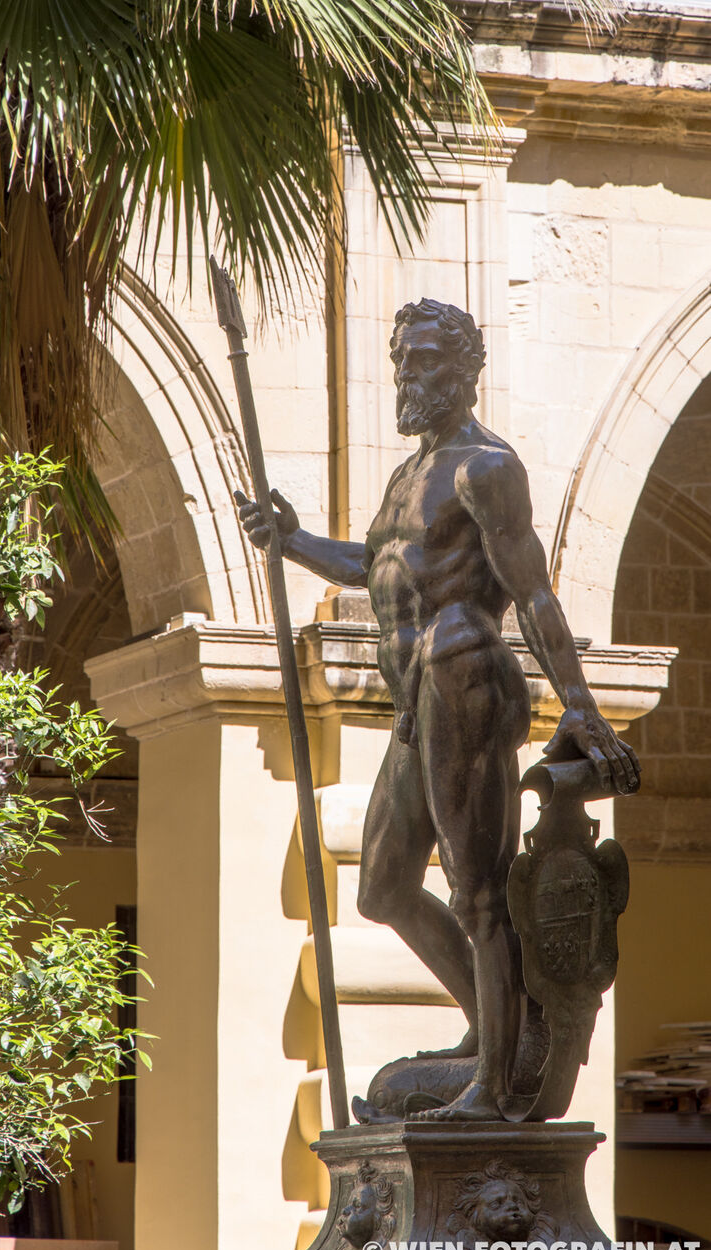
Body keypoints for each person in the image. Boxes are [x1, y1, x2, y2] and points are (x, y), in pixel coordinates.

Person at [234, 298, 639, 1121]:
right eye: (402, 362)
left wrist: (583, 706)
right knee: (381, 887)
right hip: (413, 700)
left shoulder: (485, 468)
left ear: (465, 371)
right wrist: (291, 539)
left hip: (465, 677)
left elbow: (532, 592)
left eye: (424, 361)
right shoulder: (408, 474)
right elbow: (376, 562)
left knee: (478, 892)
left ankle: (493, 1088)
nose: (407, 376)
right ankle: (499, 1027)